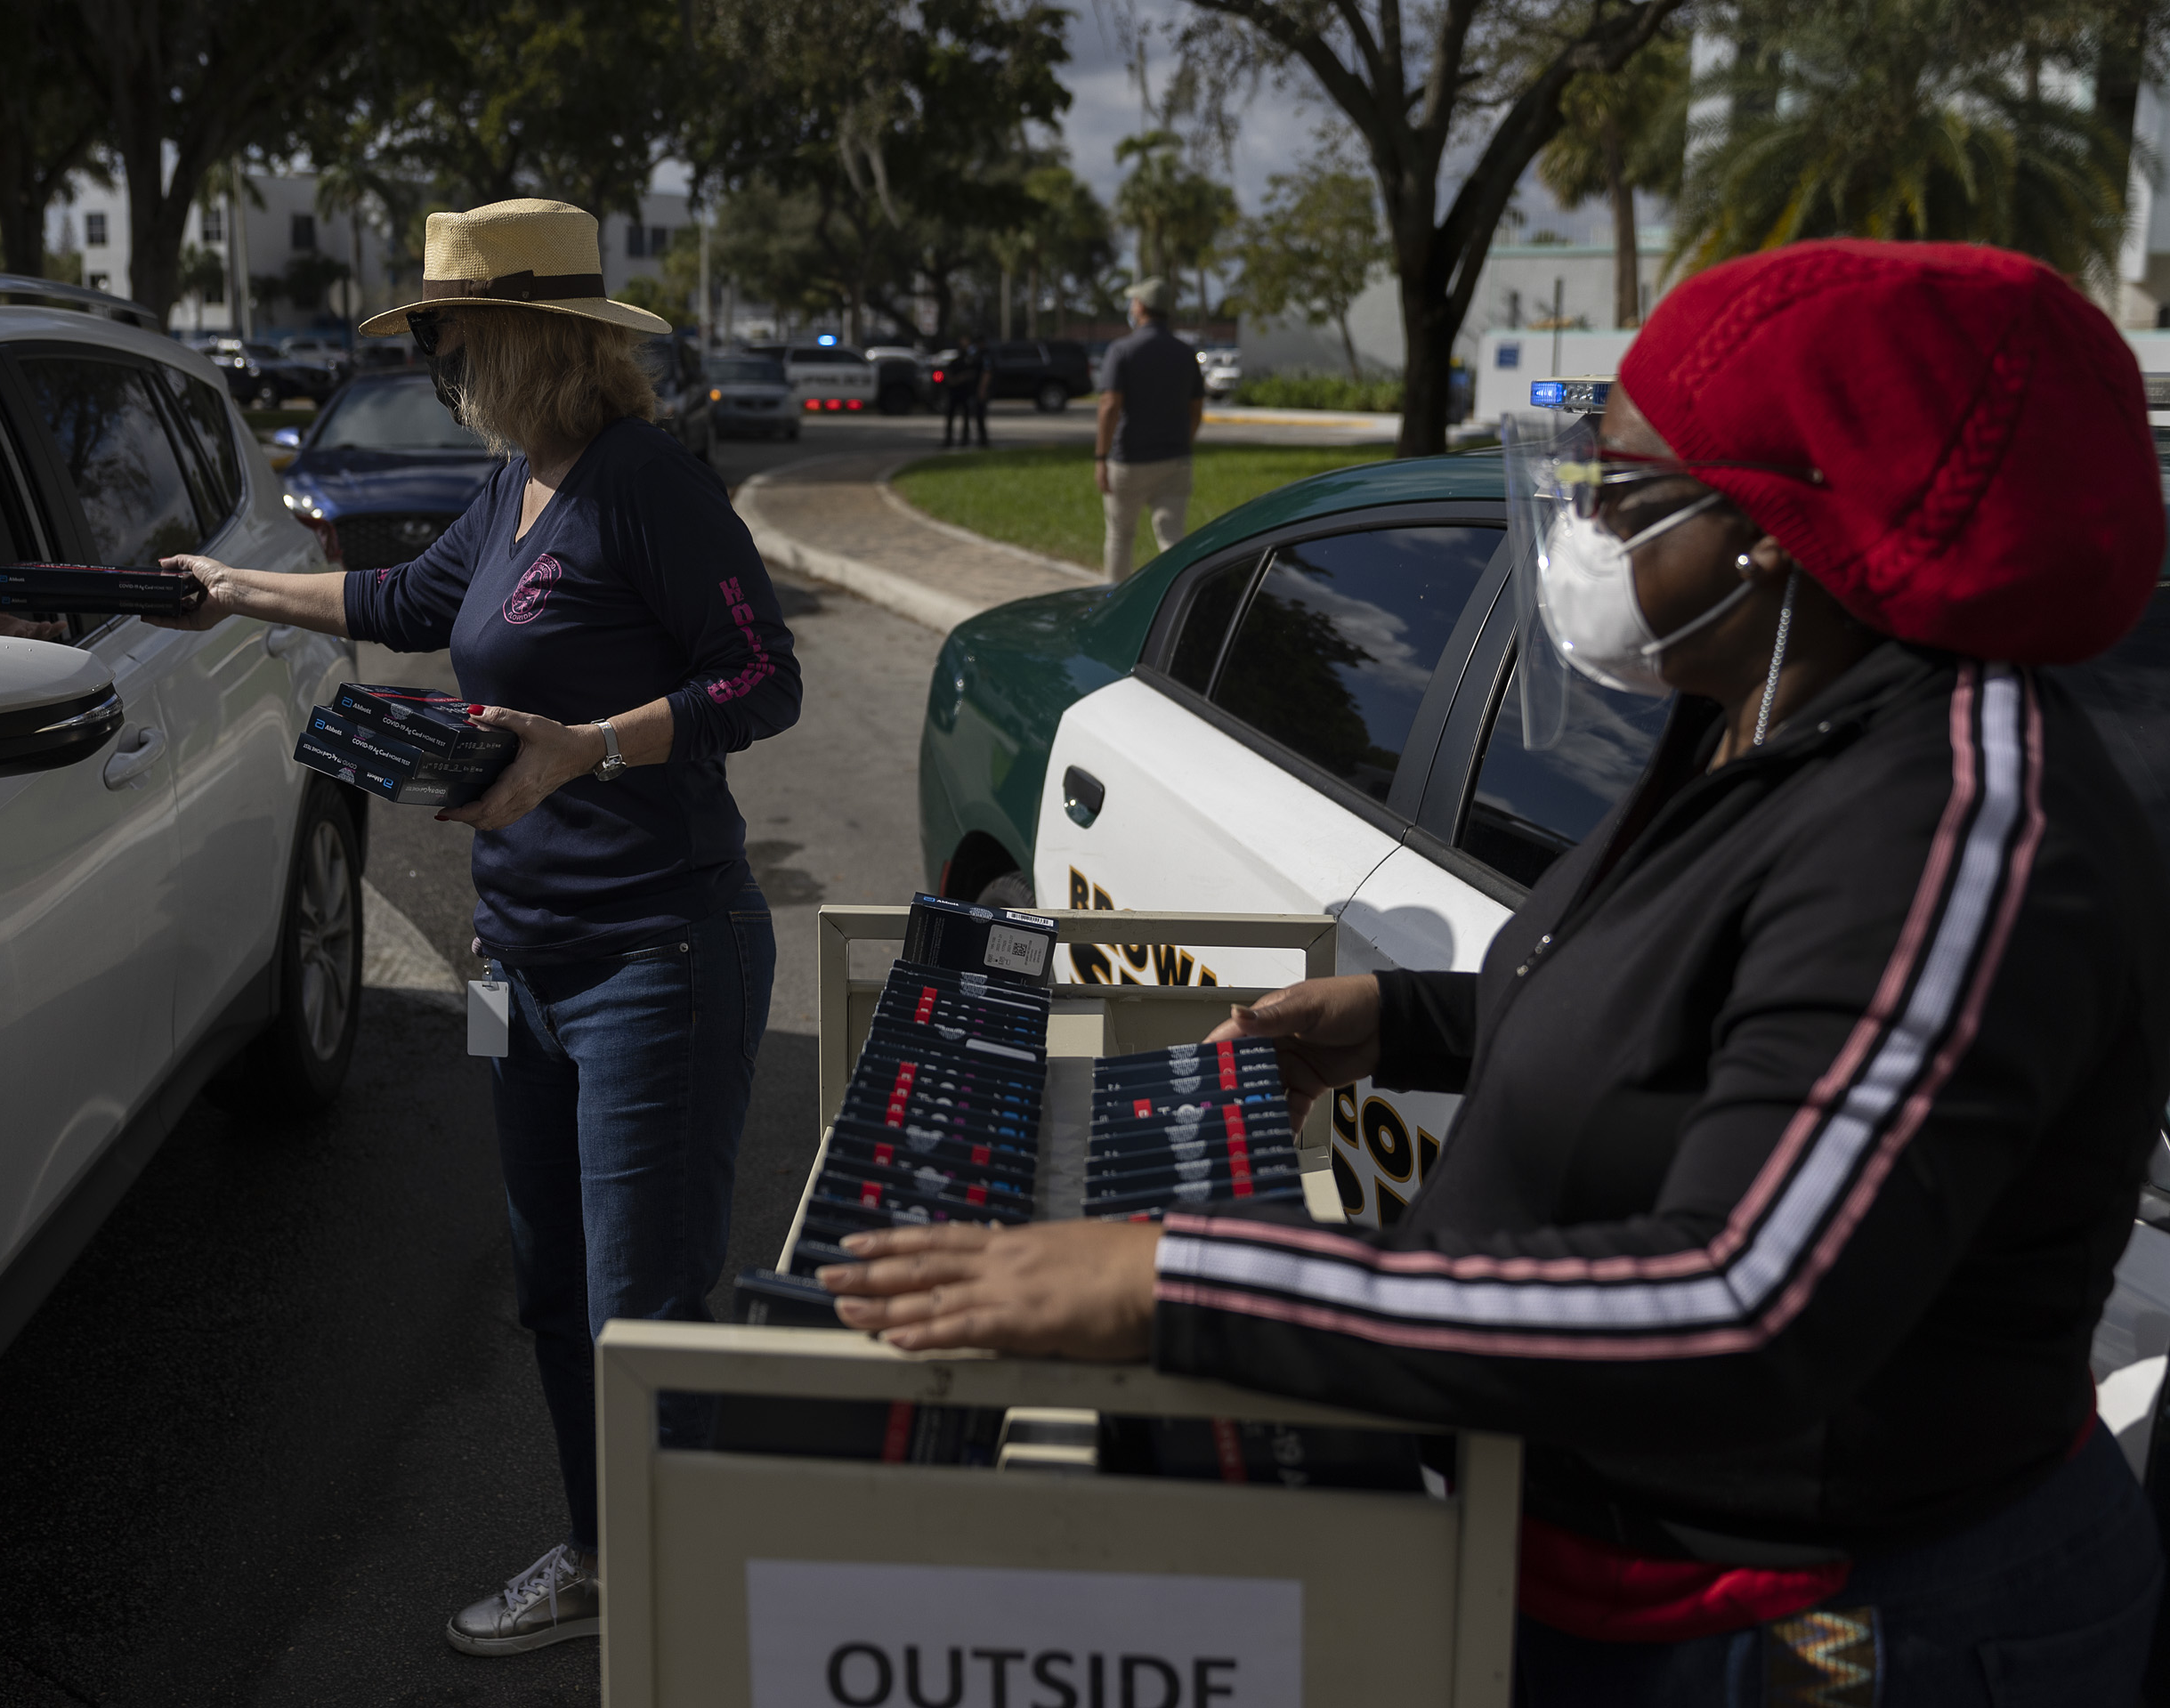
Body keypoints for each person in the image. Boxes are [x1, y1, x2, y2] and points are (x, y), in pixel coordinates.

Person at [821, 240, 2169, 1704]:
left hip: (1835, 1639)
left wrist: (1171, 1278)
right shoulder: (1763, 715)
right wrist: (1404, 1015)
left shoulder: (1958, 823)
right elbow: (1691, 1011)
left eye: (1630, 487)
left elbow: (1742, 1304)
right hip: (1626, 1569)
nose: (1585, 521)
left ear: (1780, 536)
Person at [145, 198, 801, 1658]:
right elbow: (396, 594)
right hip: (520, 958)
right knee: (557, 1287)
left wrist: (587, 745)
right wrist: (229, 588)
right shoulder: (513, 482)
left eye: (446, 335)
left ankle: (680, 1605)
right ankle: (604, 1554)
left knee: (644, 1301)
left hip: (656, 956)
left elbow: (764, 682)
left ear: (521, 334)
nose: (436, 362)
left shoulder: (644, 484)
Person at [1095, 277, 1205, 584]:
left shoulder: (1122, 350)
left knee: (1120, 537)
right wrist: (1184, 442)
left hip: (1129, 460)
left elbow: (1109, 405)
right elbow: (1196, 409)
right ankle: (1176, 604)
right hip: (1175, 459)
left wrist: (1100, 457)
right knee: (1172, 540)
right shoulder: (1186, 352)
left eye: (1133, 302)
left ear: (1140, 306)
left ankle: (1115, 603)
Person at [940, 336, 985, 449]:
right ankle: (949, 439)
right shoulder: (954, 359)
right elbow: (946, 373)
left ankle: (965, 439)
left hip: (966, 392)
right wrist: (954, 379)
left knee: (966, 416)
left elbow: (974, 374)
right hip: (954, 392)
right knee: (951, 416)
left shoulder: (971, 360)